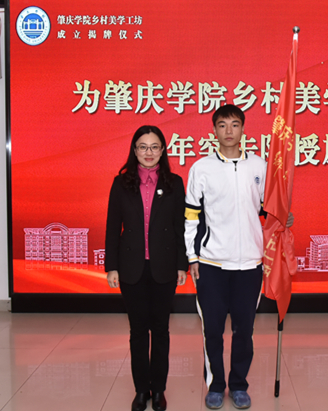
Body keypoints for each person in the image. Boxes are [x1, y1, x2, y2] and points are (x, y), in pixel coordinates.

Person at [184, 104, 266, 410]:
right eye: (222, 125)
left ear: (243, 128)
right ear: (214, 130)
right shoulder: (201, 168)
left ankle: (239, 385)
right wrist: (192, 257)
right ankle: (216, 385)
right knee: (213, 332)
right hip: (212, 265)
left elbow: (267, 209)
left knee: (244, 331)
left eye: (234, 125)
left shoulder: (259, 166)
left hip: (250, 266)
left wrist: (284, 217)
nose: (228, 131)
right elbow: (191, 217)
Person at [105, 125, 188, 411]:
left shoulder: (174, 183)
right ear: (134, 150)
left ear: (163, 150)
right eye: (143, 147)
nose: (148, 152)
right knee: (138, 331)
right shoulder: (121, 183)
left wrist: (182, 264)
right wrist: (112, 266)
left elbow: (180, 227)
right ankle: (142, 389)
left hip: (164, 267)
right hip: (131, 268)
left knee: (161, 330)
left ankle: (159, 390)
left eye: (154, 147)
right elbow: (113, 226)